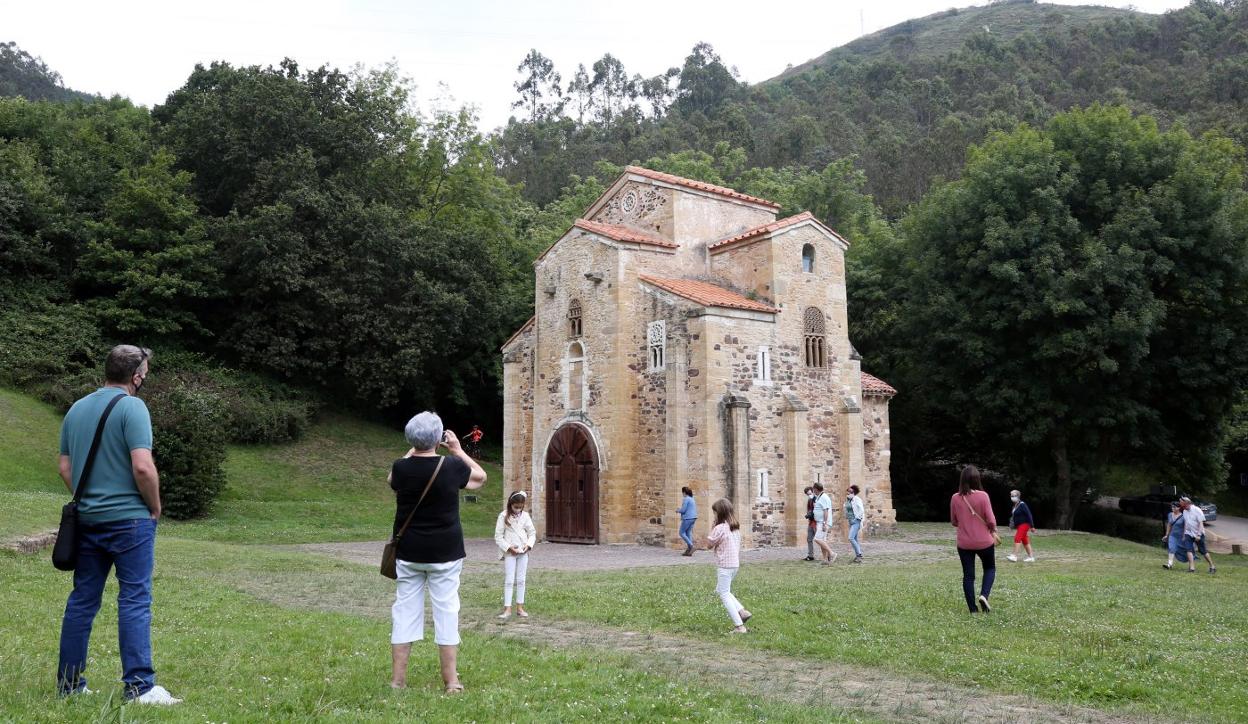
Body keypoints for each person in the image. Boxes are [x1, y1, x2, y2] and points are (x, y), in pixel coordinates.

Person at [55, 346, 180, 705]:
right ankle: (140, 687)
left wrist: (89, 497)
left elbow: (65, 468)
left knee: (82, 601)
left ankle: (69, 686)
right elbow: (142, 466)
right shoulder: (132, 407)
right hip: (129, 523)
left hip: (89, 521)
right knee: (135, 600)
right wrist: (154, 507)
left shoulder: (76, 408)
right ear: (136, 376)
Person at [388, 412, 487, 694]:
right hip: (445, 552)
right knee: (447, 612)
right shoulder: (452, 466)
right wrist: (457, 450)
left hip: (409, 551)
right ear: (438, 438)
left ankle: (397, 681)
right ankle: (451, 681)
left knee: (404, 612)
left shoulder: (401, 468)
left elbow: (391, 479)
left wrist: (413, 450)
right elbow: (480, 478)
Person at [950, 465, 998, 614]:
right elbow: (991, 520)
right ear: (977, 479)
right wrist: (992, 529)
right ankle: (984, 595)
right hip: (984, 541)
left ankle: (972, 610)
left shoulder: (955, 498)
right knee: (990, 568)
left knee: (968, 576)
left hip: (964, 543)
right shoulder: (983, 496)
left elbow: (954, 521)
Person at [699, 499, 751, 634]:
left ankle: (739, 626)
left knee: (724, 594)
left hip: (724, 565)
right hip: (734, 565)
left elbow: (709, 544)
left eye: (715, 513)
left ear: (719, 513)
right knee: (722, 590)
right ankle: (742, 611)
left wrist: (713, 527)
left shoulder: (719, 528)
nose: (714, 515)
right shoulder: (735, 527)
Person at [495, 491, 537, 619]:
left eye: (520, 507)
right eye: (516, 507)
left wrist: (528, 545)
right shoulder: (503, 516)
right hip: (510, 553)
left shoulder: (525, 516)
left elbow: (532, 533)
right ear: (510, 504)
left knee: (521, 580)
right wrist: (508, 547)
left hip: (523, 552)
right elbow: (498, 536)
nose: (518, 509)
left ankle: (520, 607)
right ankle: (507, 608)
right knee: (509, 580)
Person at [1180, 497, 1215, 574]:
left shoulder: (1197, 510)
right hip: (1188, 533)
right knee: (1188, 549)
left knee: (1203, 551)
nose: (1183, 508)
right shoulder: (1185, 511)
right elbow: (1186, 523)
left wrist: (1198, 535)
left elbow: (1201, 524)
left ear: (1188, 503)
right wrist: (1184, 534)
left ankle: (1212, 566)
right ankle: (1192, 568)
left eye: (1184, 506)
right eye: (1182, 506)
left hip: (1198, 533)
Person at [1006, 489, 1036, 563]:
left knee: (1017, 538)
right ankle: (1031, 557)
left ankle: (1014, 556)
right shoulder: (1015, 506)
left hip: (1025, 524)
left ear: (1018, 496)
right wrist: (1011, 526)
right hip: (1019, 525)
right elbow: (1013, 517)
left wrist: (1032, 526)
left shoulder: (1022, 504)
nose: (1012, 497)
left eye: (1014, 495)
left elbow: (1029, 515)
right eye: (1011, 495)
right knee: (1025, 540)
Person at [811, 482, 838, 564]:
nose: (813, 491)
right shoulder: (820, 497)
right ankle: (825, 559)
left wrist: (824, 523)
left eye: (813, 489)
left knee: (817, 539)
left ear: (816, 489)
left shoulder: (824, 497)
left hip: (822, 522)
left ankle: (832, 553)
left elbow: (825, 511)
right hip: (820, 521)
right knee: (822, 540)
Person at [1162, 502, 1190, 570]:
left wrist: (1184, 536)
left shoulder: (1183, 516)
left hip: (1180, 536)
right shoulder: (1170, 514)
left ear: (1179, 508)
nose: (1173, 508)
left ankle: (1191, 562)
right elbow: (1169, 525)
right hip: (1172, 535)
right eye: (1172, 507)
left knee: (1183, 551)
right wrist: (1166, 535)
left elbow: (1185, 527)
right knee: (1171, 548)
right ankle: (1169, 564)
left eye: (1174, 507)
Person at [844, 484, 866, 563]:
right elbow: (847, 509)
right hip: (850, 521)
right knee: (855, 539)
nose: (848, 493)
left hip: (856, 521)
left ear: (853, 492)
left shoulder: (857, 499)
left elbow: (861, 510)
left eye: (850, 492)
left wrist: (857, 519)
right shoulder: (848, 500)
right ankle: (858, 556)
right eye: (848, 492)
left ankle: (859, 555)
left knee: (851, 538)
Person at [677, 486, 698, 556]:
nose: (682, 494)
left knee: (681, 533)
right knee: (688, 532)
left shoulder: (686, 499)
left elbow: (683, 510)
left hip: (687, 518)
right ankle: (689, 551)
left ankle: (691, 546)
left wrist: (678, 510)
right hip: (693, 517)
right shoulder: (692, 498)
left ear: (684, 492)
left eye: (682, 492)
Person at [801, 486, 817, 561]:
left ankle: (827, 554)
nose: (809, 495)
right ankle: (811, 555)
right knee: (809, 539)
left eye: (809, 493)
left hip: (816, 522)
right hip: (811, 521)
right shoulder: (809, 500)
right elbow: (809, 509)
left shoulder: (816, 499)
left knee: (820, 539)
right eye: (807, 494)